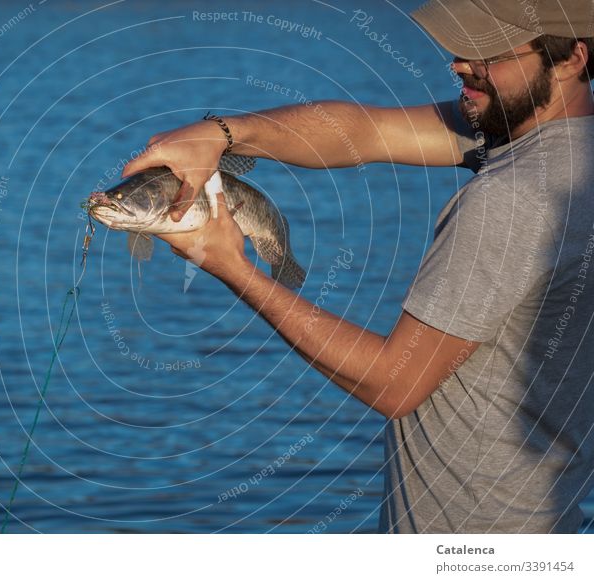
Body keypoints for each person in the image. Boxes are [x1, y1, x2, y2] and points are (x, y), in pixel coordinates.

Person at [122, 0, 594, 533]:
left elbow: (395, 383)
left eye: (488, 52)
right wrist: (220, 134)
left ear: (572, 59)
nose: (461, 64)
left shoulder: (511, 199)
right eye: (461, 47)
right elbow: (363, 132)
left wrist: (233, 266)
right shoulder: (559, 149)